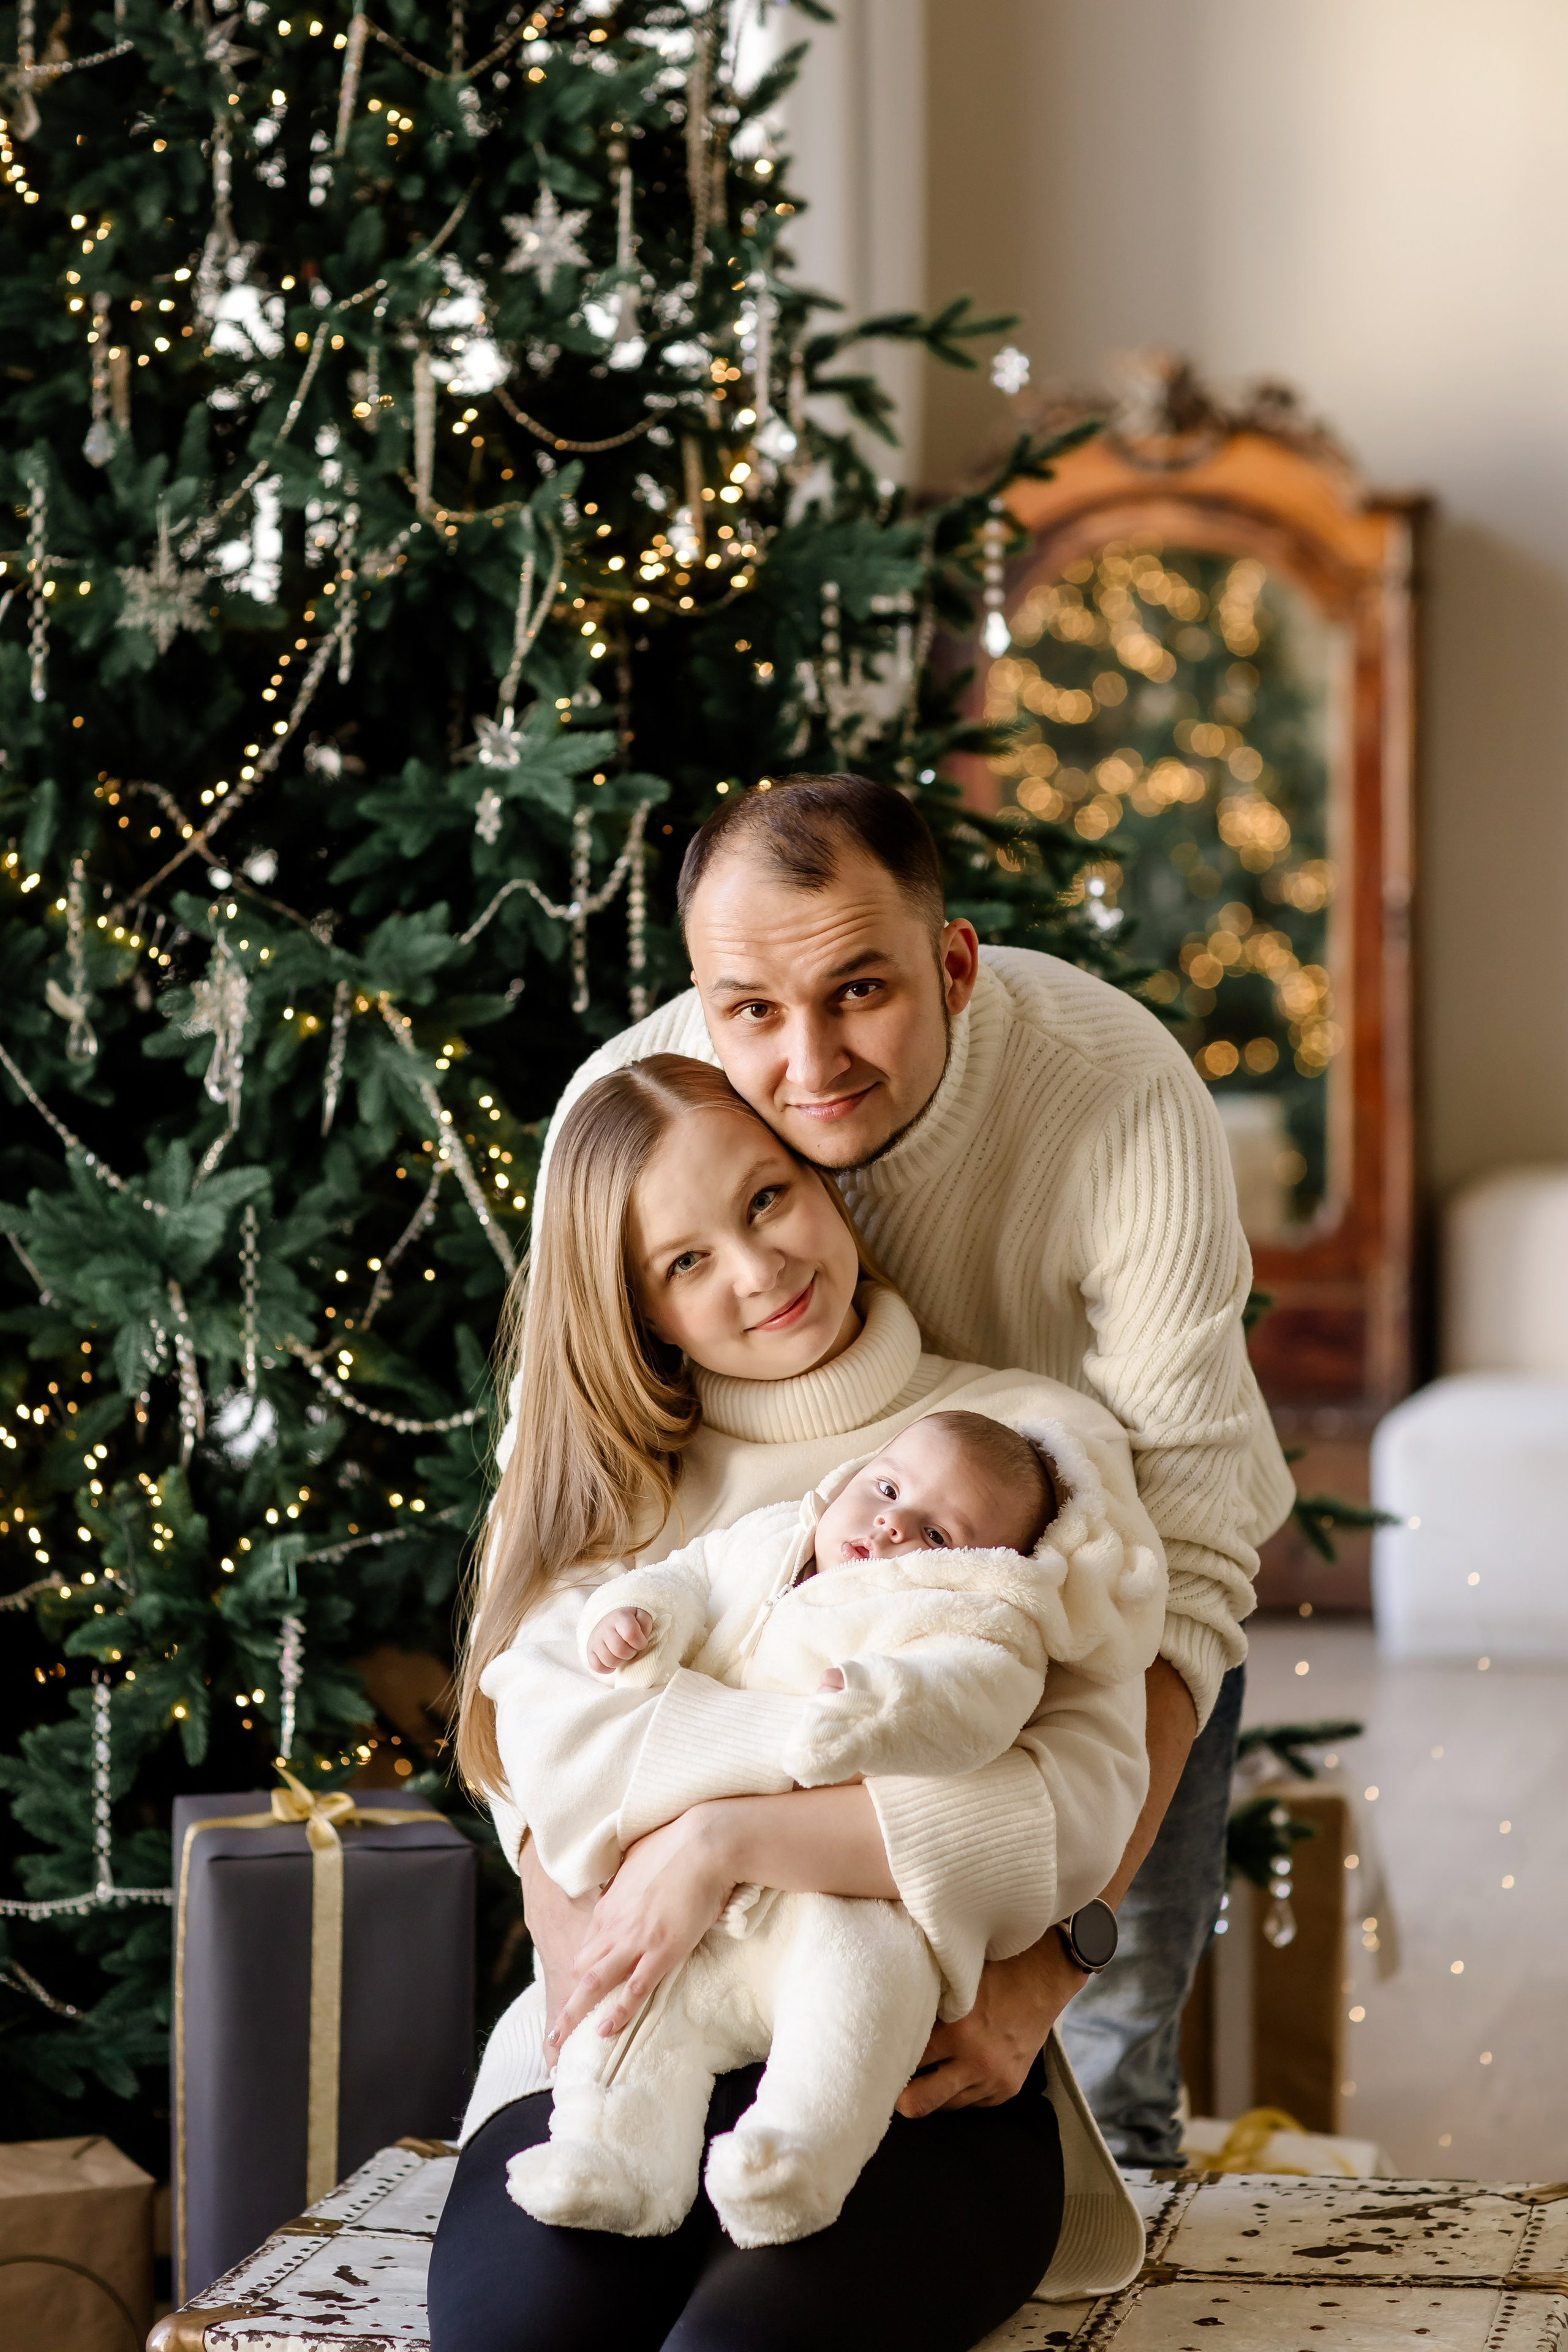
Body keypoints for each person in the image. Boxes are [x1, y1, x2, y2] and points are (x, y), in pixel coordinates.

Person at [524, 772, 1295, 2165]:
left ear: (951, 966)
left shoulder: (1114, 1092)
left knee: (1100, 2093)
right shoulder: (632, 1120)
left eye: (859, 992)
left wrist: (1054, 1965)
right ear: (701, 997)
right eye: (750, 1009)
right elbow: (550, 1536)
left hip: (1097, 1621)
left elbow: (1181, 1561)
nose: (807, 1063)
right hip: (777, 1628)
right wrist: (560, 1907)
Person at [429, 1057, 1155, 2352]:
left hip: (923, 2072)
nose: (758, 1271)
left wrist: (718, 1840)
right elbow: (553, 1758)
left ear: (824, 1176)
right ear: (638, 1310)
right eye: (684, 1262)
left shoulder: (1023, 1447)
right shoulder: (616, 1490)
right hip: (613, 2046)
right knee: (525, 2340)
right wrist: (836, 1770)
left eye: (766, 1199)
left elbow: (1066, 1816)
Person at [505, 1405, 1164, 2247]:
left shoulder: (977, 1613)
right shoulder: (762, 1541)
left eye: (935, 1534)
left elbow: (991, 1733)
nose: (892, 1521)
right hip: (685, 1927)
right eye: (884, 1490)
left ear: (989, 1563)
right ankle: (612, 2164)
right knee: (634, 2007)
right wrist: (638, 1619)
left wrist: (862, 1716)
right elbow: (579, 1691)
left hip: (846, 1904)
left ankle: (795, 2160)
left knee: (858, 1995)